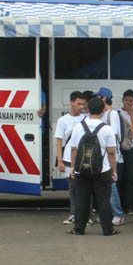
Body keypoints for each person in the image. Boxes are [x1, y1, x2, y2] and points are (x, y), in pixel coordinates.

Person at [67, 97, 118, 236]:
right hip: (102, 170)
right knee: (103, 200)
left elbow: (73, 149)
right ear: (102, 111)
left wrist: (72, 167)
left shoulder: (78, 127)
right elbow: (111, 152)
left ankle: (79, 229)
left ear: (87, 110)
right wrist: (114, 170)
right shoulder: (107, 129)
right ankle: (108, 229)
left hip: (82, 170)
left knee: (82, 199)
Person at [95, 87, 126, 226]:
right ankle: (107, 214)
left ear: (104, 99)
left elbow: (113, 135)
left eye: (98, 97)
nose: (95, 100)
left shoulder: (112, 114)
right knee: (104, 187)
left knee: (111, 186)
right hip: (103, 156)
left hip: (111, 156)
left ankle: (118, 214)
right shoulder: (102, 114)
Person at [55, 91, 86, 225]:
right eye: (79, 104)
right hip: (68, 159)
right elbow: (59, 142)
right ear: (71, 102)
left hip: (84, 158)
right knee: (73, 189)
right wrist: (60, 160)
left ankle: (86, 215)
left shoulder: (86, 118)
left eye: (83, 104)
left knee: (85, 188)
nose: (81, 107)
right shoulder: (62, 121)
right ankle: (74, 214)